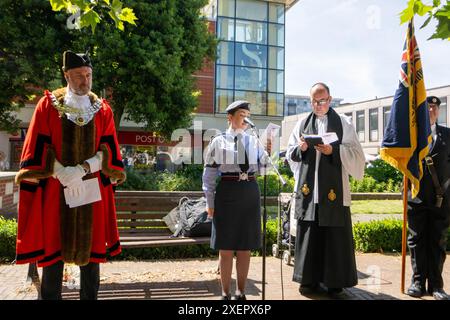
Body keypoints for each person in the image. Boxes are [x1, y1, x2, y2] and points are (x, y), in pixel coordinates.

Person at [15, 50, 126, 300]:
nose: (85, 81)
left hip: (91, 190)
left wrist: (82, 169)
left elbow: (109, 150)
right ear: (66, 75)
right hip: (56, 189)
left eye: (88, 75)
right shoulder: (48, 105)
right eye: (78, 75)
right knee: (53, 259)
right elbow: (35, 146)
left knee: (91, 263)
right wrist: (60, 172)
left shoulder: (102, 110)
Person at [286, 83, 365, 298]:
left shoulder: (344, 123)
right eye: (314, 101)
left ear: (329, 100)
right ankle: (308, 280)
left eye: (322, 101)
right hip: (310, 192)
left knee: (333, 237)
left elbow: (357, 155)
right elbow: (289, 153)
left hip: (334, 193)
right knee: (310, 235)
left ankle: (334, 282)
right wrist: (300, 148)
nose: (318, 105)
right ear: (310, 101)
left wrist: (334, 150)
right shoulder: (302, 123)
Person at [202, 100, 270, 300]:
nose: (246, 118)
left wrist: (267, 152)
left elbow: (264, 170)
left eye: (248, 114)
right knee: (226, 246)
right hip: (227, 192)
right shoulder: (219, 141)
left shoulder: (254, 141)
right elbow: (208, 175)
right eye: (242, 114)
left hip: (249, 191)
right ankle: (225, 292)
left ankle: (240, 291)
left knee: (244, 246)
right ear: (230, 118)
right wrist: (209, 202)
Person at [406, 96, 450, 300]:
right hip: (416, 197)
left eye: (434, 107)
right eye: (427, 107)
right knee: (416, 240)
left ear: (439, 111)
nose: (431, 110)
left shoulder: (447, 135)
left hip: (440, 199)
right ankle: (417, 282)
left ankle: (436, 286)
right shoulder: (411, 137)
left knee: (437, 241)